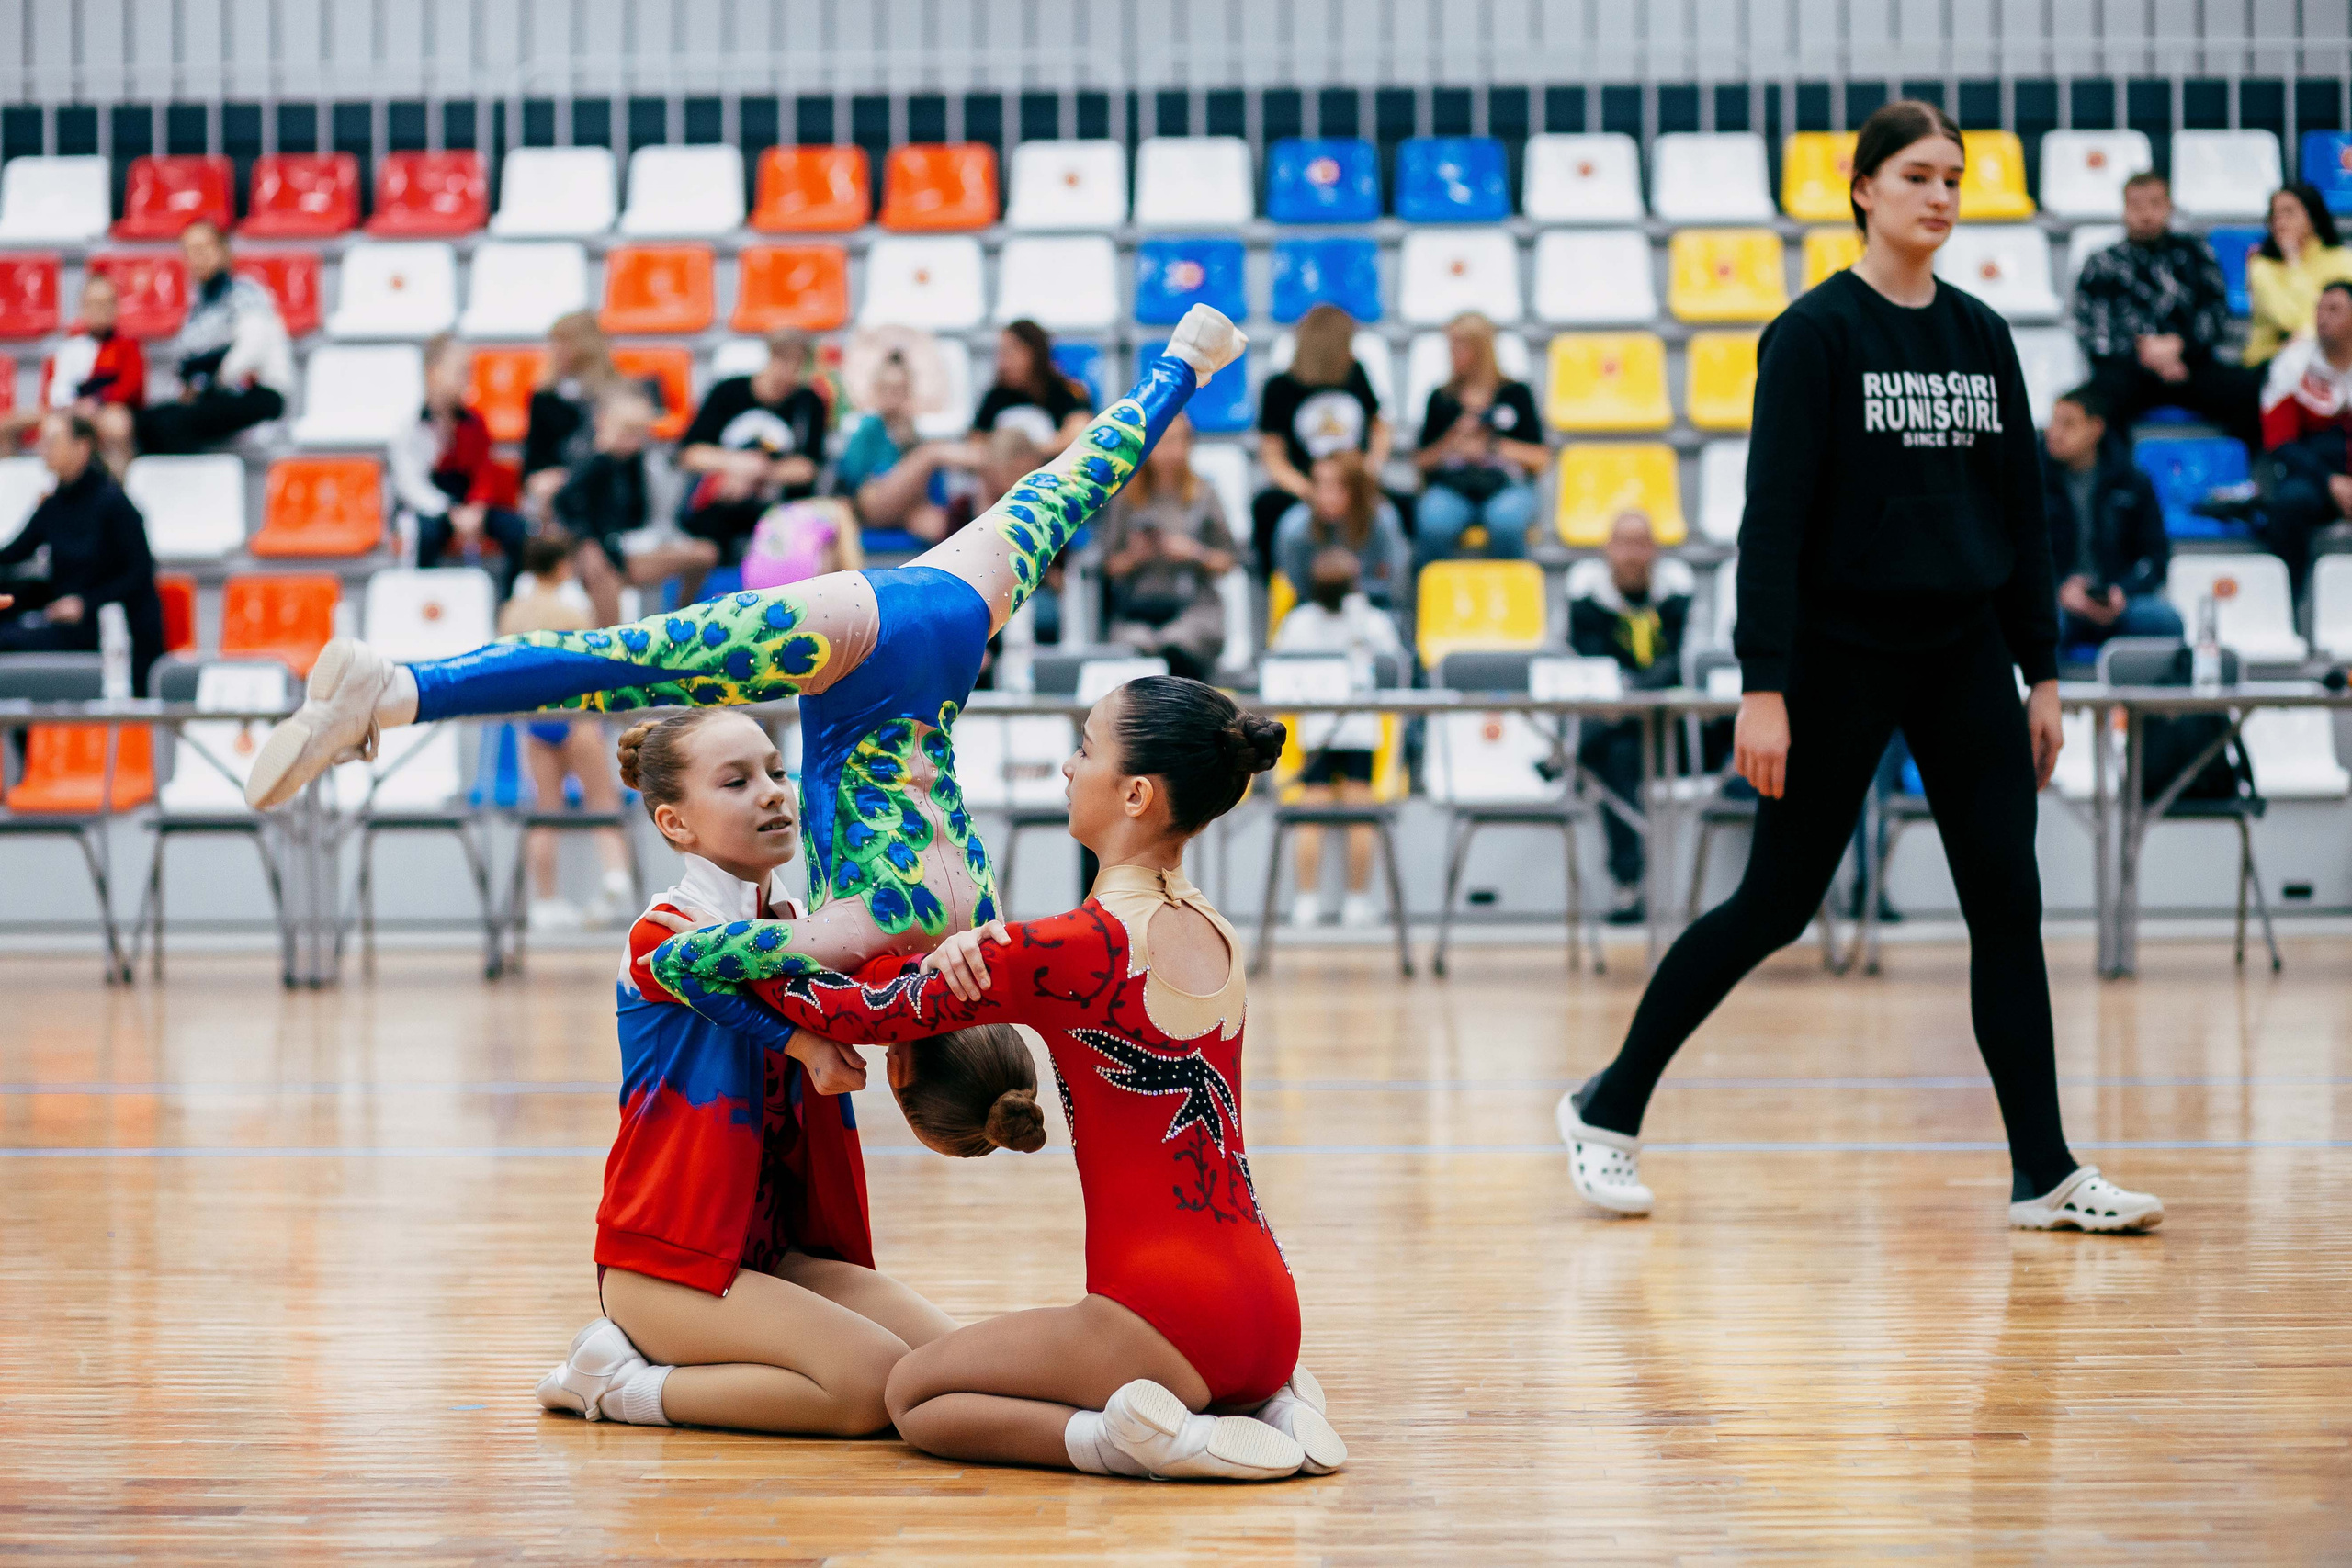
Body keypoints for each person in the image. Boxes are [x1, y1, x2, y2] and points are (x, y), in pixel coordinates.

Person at [1558, 100, 2162, 1235]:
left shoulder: (1983, 336)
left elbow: (2024, 520)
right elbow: (1770, 522)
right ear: (1863, 187)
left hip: (1966, 655)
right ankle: (1604, 1105)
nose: (1939, 196)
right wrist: (1763, 684)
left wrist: (2046, 670)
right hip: (1837, 659)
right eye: (1918, 176)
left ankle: (2045, 1171)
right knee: (1775, 905)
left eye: (1953, 178)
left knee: (2006, 904)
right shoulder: (1812, 335)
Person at [242, 306, 1249, 954]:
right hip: (861, 652)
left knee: (1065, 488)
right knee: (628, 664)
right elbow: (709, 964)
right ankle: (397, 689)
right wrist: (823, 1042)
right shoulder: (862, 947)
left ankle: (1182, 363)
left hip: (950, 622)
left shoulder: (981, 938)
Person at [645, 676, 1342, 1481]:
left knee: (916, 1396)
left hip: (1164, 1315)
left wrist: (738, 944)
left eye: (1085, 750)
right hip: (1272, 1305)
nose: (1067, 769)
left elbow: (857, 1012)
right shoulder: (1216, 928)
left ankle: (1148, 1442)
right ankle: (1272, 1402)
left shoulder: (1062, 947)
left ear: (1137, 793)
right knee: (975, 1364)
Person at [533, 703, 1045, 1437]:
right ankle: (615, 1385)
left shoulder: (805, 921)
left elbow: (883, 983)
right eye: (737, 782)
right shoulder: (664, 937)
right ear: (676, 824)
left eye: (776, 770)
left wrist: (953, 952)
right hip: (672, 1265)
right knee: (867, 1388)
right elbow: (750, 979)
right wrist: (806, 1043)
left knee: (946, 1364)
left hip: (776, 1254)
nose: (774, 791)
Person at [497, 536, 638, 931]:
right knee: (601, 801)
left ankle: (544, 901)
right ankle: (616, 879)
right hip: (575, 716)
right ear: (562, 566)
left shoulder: (511, 613)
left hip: (534, 721)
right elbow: (595, 665)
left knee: (545, 811)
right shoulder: (571, 612)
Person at [1269, 546, 1403, 930]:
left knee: (1326, 808)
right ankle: (1343, 901)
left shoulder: (1299, 622)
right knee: (1343, 808)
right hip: (1342, 728)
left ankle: (1314, 902)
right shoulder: (1371, 621)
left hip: (1340, 727)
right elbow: (1393, 666)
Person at [2073, 172, 2258, 448]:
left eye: (2155, 204)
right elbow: (2092, 327)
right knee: (2092, 407)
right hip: (2127, 369)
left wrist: (2179, 346)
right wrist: (2144, 351)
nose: (2145, 214)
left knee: (2249, 391)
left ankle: (2240, 481)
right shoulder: (2102, 263)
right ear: (2124, 210)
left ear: (2169, 207)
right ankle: (2119, 487)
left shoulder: (2196, 254)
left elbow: (2217, 311)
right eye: (2136, 205)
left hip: (2190, 365)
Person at [1567, 512, 1691, 924]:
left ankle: (1563, 759)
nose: (1633, 553)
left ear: (1655, 548)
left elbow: (1680, 663)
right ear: (1607, 549)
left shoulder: (1679, 594)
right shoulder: (1586, 599)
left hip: (1674, 727)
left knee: (1601, 740)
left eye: (1642, 542)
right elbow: (1588, 666)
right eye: (1624, 542)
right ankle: (1628, 882)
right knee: (1615, 756)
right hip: (1618, 729)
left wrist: (1631, 694)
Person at [0, 413, 164, 692]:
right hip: (64, 621)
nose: (42, 449)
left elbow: (140, 573)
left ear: (82, 447)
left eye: (52, 441)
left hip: (105, 627)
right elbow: (15, 552)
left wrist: (85, 603)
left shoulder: (114, 503)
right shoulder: (55, 503)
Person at [551, 385, 718, 626]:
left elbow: (645, 515)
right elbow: (565, 503)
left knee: (704, 554)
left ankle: (679, 619)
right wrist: (587, 542)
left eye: (640, 433)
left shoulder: (636, 463)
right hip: (597, 556)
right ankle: (608, 646)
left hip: (628, 550)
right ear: (606, 425)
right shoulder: (592, 461)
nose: (634, 441)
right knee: (598, 572)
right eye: (628, 432)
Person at [131, 220, 293, 456]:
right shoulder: (198, 308)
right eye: (191, 250)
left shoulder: (246, 293)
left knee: (171, 425)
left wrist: (213, 381)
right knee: (143, 422)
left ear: (223, 250)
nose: (198, 256)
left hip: (258, 393)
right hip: (214, 396)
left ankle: (196, 484)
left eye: (205, 247)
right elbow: (186, 360)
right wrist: (189, 386)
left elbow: (251, 349)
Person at [2038, 384, 2180, 649]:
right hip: (2057, 601)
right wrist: (2059, 590)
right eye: (2053, 423)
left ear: (2095, 428)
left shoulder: (2132, 482)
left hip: (2116, 599)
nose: (2053, 433)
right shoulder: (2031, 482)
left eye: (2067, 424)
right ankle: (2048, 690)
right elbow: (2021, 553)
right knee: (2040, 622)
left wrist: (2122, 592)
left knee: (2165, 621)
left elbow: (2155, 556)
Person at [393, 334, 534, 601]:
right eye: (459, 371)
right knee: (427, 533)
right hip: (433, 507)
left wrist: (477, 507)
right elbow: (411, 485)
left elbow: (484, 470)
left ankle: (509, 603)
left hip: (471, 504)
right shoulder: (410, 428)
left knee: (517, 529)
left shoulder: (475, 421)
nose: (466, 378)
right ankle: (427, 603)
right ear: (433, 373)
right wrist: (450, 511)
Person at [1253, 304, 1389, 577]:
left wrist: (1368, 470)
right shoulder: (1279, 388)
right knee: (1267, 508)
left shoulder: (1356, 374)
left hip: (1353, 482)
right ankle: (1282, 587)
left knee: (1399, 508)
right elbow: (1272, 456)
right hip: (1304, 484)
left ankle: (1380, 588)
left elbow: (1380, 427)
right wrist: (1310, 491)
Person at [1098, 414, 1236, 681]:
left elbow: (1228, 561)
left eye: (1176, 442)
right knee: (1135, 646)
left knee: (1177, 644)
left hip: (1194, 607)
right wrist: (1137, 556)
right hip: (1137, 611)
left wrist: (1194, 553)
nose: (1169, 451)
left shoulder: (1205, 494)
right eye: (1161, 442)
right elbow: (1108, 566)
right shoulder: (1126, 496)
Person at [677, 328, 831, 565]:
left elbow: (808, 468)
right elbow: (690, 453)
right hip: (722, 502)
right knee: (706, 542)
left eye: (797, 364)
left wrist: (759, 473)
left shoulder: (808, 403)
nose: (788, 371)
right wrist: (735, 465)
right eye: (782, 359)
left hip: (779, 509)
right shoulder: (727, 392)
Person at [1412, 311, 1547, 566]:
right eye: (1450, 345)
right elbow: (1421, 461)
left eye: (1459, 346)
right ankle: (1432, 598)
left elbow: (1540, 458)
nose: (1451, 353)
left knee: (1506, 522)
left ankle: (1511, 599)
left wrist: (1492, 448)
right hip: (1453, 486)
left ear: (1481, 349)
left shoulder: (1516, 394)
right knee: (1433, 522)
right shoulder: (1441, 398)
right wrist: (1454, 438)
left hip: (1507, 485)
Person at [2256, 277, 2352, 589]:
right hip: (2314, 476)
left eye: (2334, 309)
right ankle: (2289, 600)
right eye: (2319, 308)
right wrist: (2331, 481)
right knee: (2289, 505)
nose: (2322, 317)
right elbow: (2279, 441)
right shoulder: (2295, 360)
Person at [0, 273, 144, 472]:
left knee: (118, 426)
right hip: (66, 409)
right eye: (94, 303)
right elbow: (52, 392)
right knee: (6, 425)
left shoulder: (127, 346)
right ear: (82, 308)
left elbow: (131, 388)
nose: (100, 310)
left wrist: (96, 401)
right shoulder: (68, 347)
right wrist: (67, 406)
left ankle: (116, 490)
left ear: (115, 307)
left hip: (103, 410)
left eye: (106, 303)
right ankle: (13, 488)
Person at [836, 350, 963, 543]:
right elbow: (853, 480)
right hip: (871, 505)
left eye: (899, 390)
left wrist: (906, 443)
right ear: (877, 390)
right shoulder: (868, 429)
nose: (892, 397)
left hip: (907, 508)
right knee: (931, 454)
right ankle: (984, 459)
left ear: (907, 392)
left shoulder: (911, 433)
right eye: (886, 389)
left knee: (938, 524)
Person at [522, 311, 632, 517]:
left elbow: (626, 462)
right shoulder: (544, 398)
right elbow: (534, 461)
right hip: (562, 487)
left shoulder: (619, 395)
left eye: (563, 343)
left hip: (606, 485)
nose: (555, 351)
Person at [1273, 450, 1411, 609]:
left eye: (1336, 487)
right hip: (1317, 611)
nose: (1325, 497)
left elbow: (1394, 585)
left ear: (1357, 490)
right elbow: (1297, 589)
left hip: (1374, 609)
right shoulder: (1294, 530)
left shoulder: (1383, 522)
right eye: (1319, 486)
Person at [2246, 182, 2352, 367]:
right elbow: (2288, 319)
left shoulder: (2342, 260)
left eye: (2289, 213)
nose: (2280, 222)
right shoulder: (2262, 266)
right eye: (2275, 215)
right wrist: (2293, 260)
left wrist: (2307, 337)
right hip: (2271, 362)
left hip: (2332, 357)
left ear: (2313, 218)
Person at [972, 320, 1091, 455]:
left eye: (1010, 352)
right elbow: (977, 442)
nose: (1003, 363)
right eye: (1000, 353)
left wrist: (1023, 455)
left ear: (1035, 352)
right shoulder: (996, 394)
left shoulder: (1069, 390)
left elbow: (1078, 434)